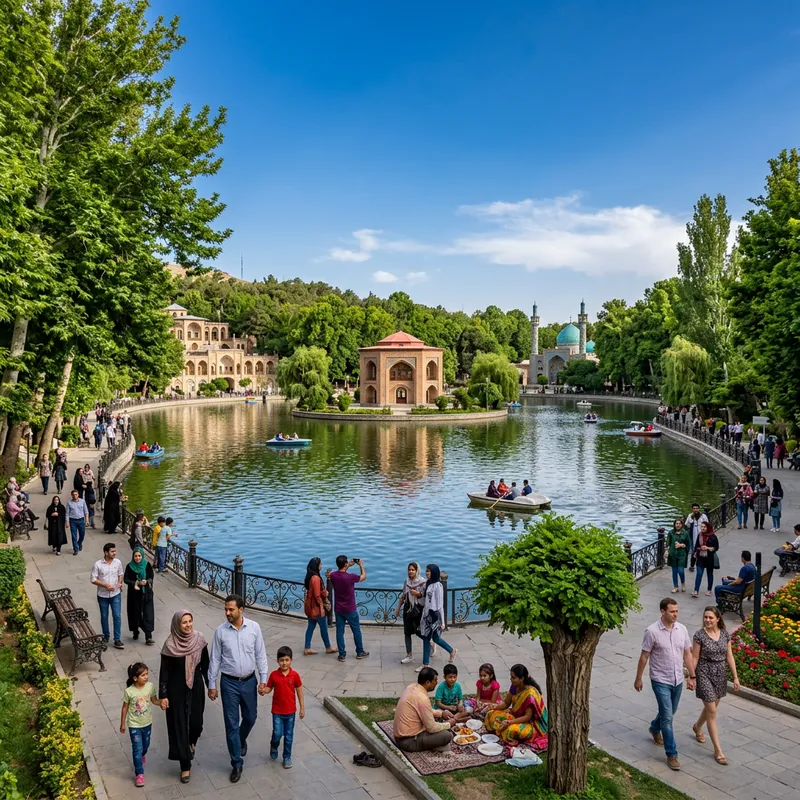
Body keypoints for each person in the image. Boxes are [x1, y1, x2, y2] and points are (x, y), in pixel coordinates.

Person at [207, 594, 269, 783]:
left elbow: (260, 654)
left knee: (251, 717)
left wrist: (263, 679)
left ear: (241, 610)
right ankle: (236, 762)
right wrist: (212, 684)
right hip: (229, 683)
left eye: (231, 609)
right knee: (231, 724)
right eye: (225, 609)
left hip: (249, 681)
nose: (227, 613)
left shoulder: (254, 628)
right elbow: (215, 659)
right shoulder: (220, 632)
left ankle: (240, 739)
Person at [633, 598, 696, 771]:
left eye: (677, 611)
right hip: (660, 679)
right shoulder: (652, 632)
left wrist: (692, 676)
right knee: (667, 718)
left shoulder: (682, 629)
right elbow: (644, 656)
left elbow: (687, 654)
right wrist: (638, 678)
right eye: (672, 611)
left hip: (677, 679)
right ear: (662, 611)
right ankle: (672, 754)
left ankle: (654, 727)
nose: (675, 614)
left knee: (670, 711)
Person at [159, 610, 209, 784]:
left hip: (196, 686)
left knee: (197, 723)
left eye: (190, 621)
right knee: (180, 726)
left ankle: (191, 742)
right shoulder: (170, 645)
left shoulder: (199, 640)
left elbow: (206, 665)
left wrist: (211, 686)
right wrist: (163, 695)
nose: (188, 625)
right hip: (176, 689)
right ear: (177, 625)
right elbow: (164, 673)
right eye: (184, 622)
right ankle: (185, 765)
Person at [691, 607, 740, 765]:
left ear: (718, 619)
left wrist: (735, 677)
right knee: (712, 711)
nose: (707, 620)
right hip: (704, 672)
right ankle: (718, 751)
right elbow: (694, 657)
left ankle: (697, 726)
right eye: (705, 617)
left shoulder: (725, 634)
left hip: (720, 674)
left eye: (711, 617)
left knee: (710, 707)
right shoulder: (699, 635)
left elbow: (729, 656)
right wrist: (692, 676)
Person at [393, 667, 456, 753]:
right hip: (409, 741)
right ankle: (435, 745)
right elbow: (431, 728)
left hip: (401, 737)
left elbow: (425, 710)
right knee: (447, 735)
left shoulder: (411, 687)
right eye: (435, 680)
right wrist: (449, 724)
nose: (437, 682)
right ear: (427, 682)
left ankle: (435, 743)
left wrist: (441, 714)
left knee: (438, 722)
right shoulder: (422, 698)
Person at [120, 662, 162, 787]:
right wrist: (122, 723)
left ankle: (142, 754)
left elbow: (154, 700)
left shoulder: (150, 687)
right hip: (134, 725)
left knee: (145, 745)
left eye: (147, 674)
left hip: (147, 723)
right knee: (137, 749)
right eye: (143, 675)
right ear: (135, 678)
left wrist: (161, 703)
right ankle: (139, 773)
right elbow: (124, 707)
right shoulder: (129, 691)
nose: (146, 677)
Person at [485, 664, 548, 747]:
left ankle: (503, 732)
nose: (511, 680)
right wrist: (494, 707)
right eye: (511, 677)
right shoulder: (515, 686)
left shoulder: (530, 694)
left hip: (531, 724)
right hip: (515, 716)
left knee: (510, 730)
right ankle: (501, 731)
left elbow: (527, 717)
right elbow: (506, 703)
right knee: (490, 714)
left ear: (522, 679)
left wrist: (509, 722)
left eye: (513, 678)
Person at [264, 646, 305, 769]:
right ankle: (274, 745)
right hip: (277, 711)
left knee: (288, 736)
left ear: (291, 660)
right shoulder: (274, 675)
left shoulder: (295, 676)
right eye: (281, 660)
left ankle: (287, 757)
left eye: (287, 660)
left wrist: (302, 708)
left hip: (290, 712)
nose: (284, 663)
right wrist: (263, 690)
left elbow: (299, 692)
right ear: (277, 661)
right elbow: (269, 688)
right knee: (277, 733)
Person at [329, 555, 369, 662]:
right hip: (350, 608)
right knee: (356, 630)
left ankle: (342, 654)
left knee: (339, 632)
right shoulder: (350, 577)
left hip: (338, 609)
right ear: (345, 564)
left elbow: (338, 572)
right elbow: (363, 577)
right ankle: (360, 652)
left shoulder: (333, 575)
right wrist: (361, 565)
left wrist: (348, 566)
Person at [417, 564, 456, 672]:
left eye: (429, 571)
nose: (427, 573)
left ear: (434, 572)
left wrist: (443, 622)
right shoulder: (428, 583)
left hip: (434, 616)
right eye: (426, 571)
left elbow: (440, 605)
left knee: (429, 638)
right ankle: (451, 650)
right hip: (427, 614)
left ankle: (425, 664)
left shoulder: (438, 586)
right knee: (433, 638)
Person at [91, 542, 125, 649]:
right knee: (104, 616)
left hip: (115, 594)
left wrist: (119, 583)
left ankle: (117, 639)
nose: (114, 553)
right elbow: (93, 579)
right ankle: (106, 636)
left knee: (117, 616)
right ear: (106, 553)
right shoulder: (98, 565)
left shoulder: (118, 562)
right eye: (112, 551)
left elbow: (120, 574)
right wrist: (105, 585)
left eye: (115, 551)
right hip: (103, 595)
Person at [303, 557, 335, 655]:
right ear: (316, 566)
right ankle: (328, 647)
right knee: (323, 627)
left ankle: (307, 647)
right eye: (320, 564)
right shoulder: (316, 578)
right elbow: (317, 595)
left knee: (311, 626)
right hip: (317, 607)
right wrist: (323, 603)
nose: (321, 565)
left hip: (311, 606)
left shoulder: (310, 576)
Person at [395, 562, 425, 664]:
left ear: (417, 571)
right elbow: (403, 595)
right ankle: (409, 654)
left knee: (418, 631)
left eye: (413, 570)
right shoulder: (407, 581)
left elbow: (425, 596)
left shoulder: (422, 582)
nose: (411, 572)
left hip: (418, 609)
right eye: (409, 570)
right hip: (408, 609)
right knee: (407, 632)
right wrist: (398, 608)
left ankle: (429, 643)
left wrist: (417, 594)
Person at [124, 547, 155, 645]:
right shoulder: (129, 566)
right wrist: (135, 583)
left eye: (139, 556)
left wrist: (147, 581)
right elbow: (126, 579)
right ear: (133, 557)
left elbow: (151, 576)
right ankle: (135, 631)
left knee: (147, 613)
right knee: (135, 613)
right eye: (136, 556)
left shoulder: (147, 565)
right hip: (134, 594)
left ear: (142, 556)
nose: (138, 558)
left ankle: (148, 636)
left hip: (146, 593)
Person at [691, 521, 719, 599]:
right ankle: (696, 590)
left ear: (708, 528)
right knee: (699, 574)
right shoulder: (700, 535)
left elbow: (716, 547)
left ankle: (709, 589)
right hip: (700, 557)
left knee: (709, 574)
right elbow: (696, 546)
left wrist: (707, 548)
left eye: (704, 527)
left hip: (709, 558)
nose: (703, 528)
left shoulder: (713, 536)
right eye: (702, 526)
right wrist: (695, 554)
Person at [666, 518, 691, 593]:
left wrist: (682, 545)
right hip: (673, 554)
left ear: (682, 525)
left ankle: (683, 583)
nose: (678, 525)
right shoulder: (671, 533)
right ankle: (675, 586)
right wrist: (667, 551)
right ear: (674, 524)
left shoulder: (685, 533)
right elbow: (668, 543)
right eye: (676, 523)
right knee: (674, 571)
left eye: (679, 523)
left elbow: (688, 544)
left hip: (682, 555)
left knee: (681, 571)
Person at [684, 504, 708, 572]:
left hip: (702, 536)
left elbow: (707, 525)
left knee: (704, 550)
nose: (695, 510)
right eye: (694, 508)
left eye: (697, 508)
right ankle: (692, 566)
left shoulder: (703, 516)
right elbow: (686, 525)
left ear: (699, 509)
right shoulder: (690, 516)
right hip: (693, 537)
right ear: (692, 509)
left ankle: (705, 563)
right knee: (693, 552)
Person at [67, 489, 89, 555]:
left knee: (82, 534)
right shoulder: (69, 503)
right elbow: (67, 513)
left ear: (78, 495)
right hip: (72, 520)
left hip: (81, 519)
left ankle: (79, 543)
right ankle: (76, 549)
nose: (75, 496)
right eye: (73, 495)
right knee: (74, 535)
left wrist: (86, 520)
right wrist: (67, 522)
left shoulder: (82, 501)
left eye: (76, 494)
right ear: (71, 495)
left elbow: (86, 511)